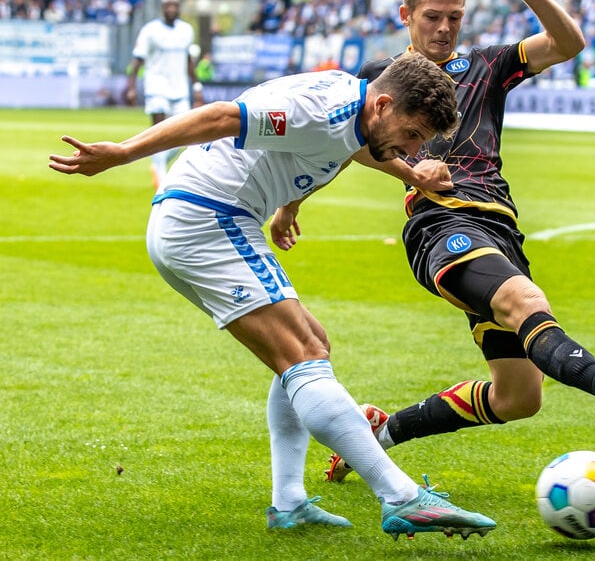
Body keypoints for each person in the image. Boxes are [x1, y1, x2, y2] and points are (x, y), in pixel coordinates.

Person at [49, 53, 496, 541]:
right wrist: (123, 153)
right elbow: (222, 116)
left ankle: (289, 504)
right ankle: (402, 496)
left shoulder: (358, 110)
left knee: (311, 346)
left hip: (213, 217)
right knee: (303, 356)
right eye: (412, 136)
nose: (412, 148)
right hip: (206, 218)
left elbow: (343, 148)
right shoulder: (319, 112)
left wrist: (294, 206)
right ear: (384, 103)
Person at [323, 0, 595, 484]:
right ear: (406, 15)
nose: (444, 28)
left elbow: (569, 43)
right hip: (440, 224)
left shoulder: (487, 64)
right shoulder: (381, 77)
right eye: (432, 17)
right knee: (524, 301)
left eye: (454, 17)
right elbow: (344, 142)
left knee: (518, 397)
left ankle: (379, 433)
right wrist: (406, 175)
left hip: (499, 227)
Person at [125, 0, 205, 190]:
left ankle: (157, 163)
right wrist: (131, 87)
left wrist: (196, 87)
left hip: (179, 89)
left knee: (187, 134)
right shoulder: (150, 30)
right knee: (159, 131)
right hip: (156, 86)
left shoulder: (186, 30)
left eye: (175, 5)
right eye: (168, 5)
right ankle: (161, 182)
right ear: (162, 7)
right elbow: (137, 60)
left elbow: (188, 62)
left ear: (179, 8)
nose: (171, 9)